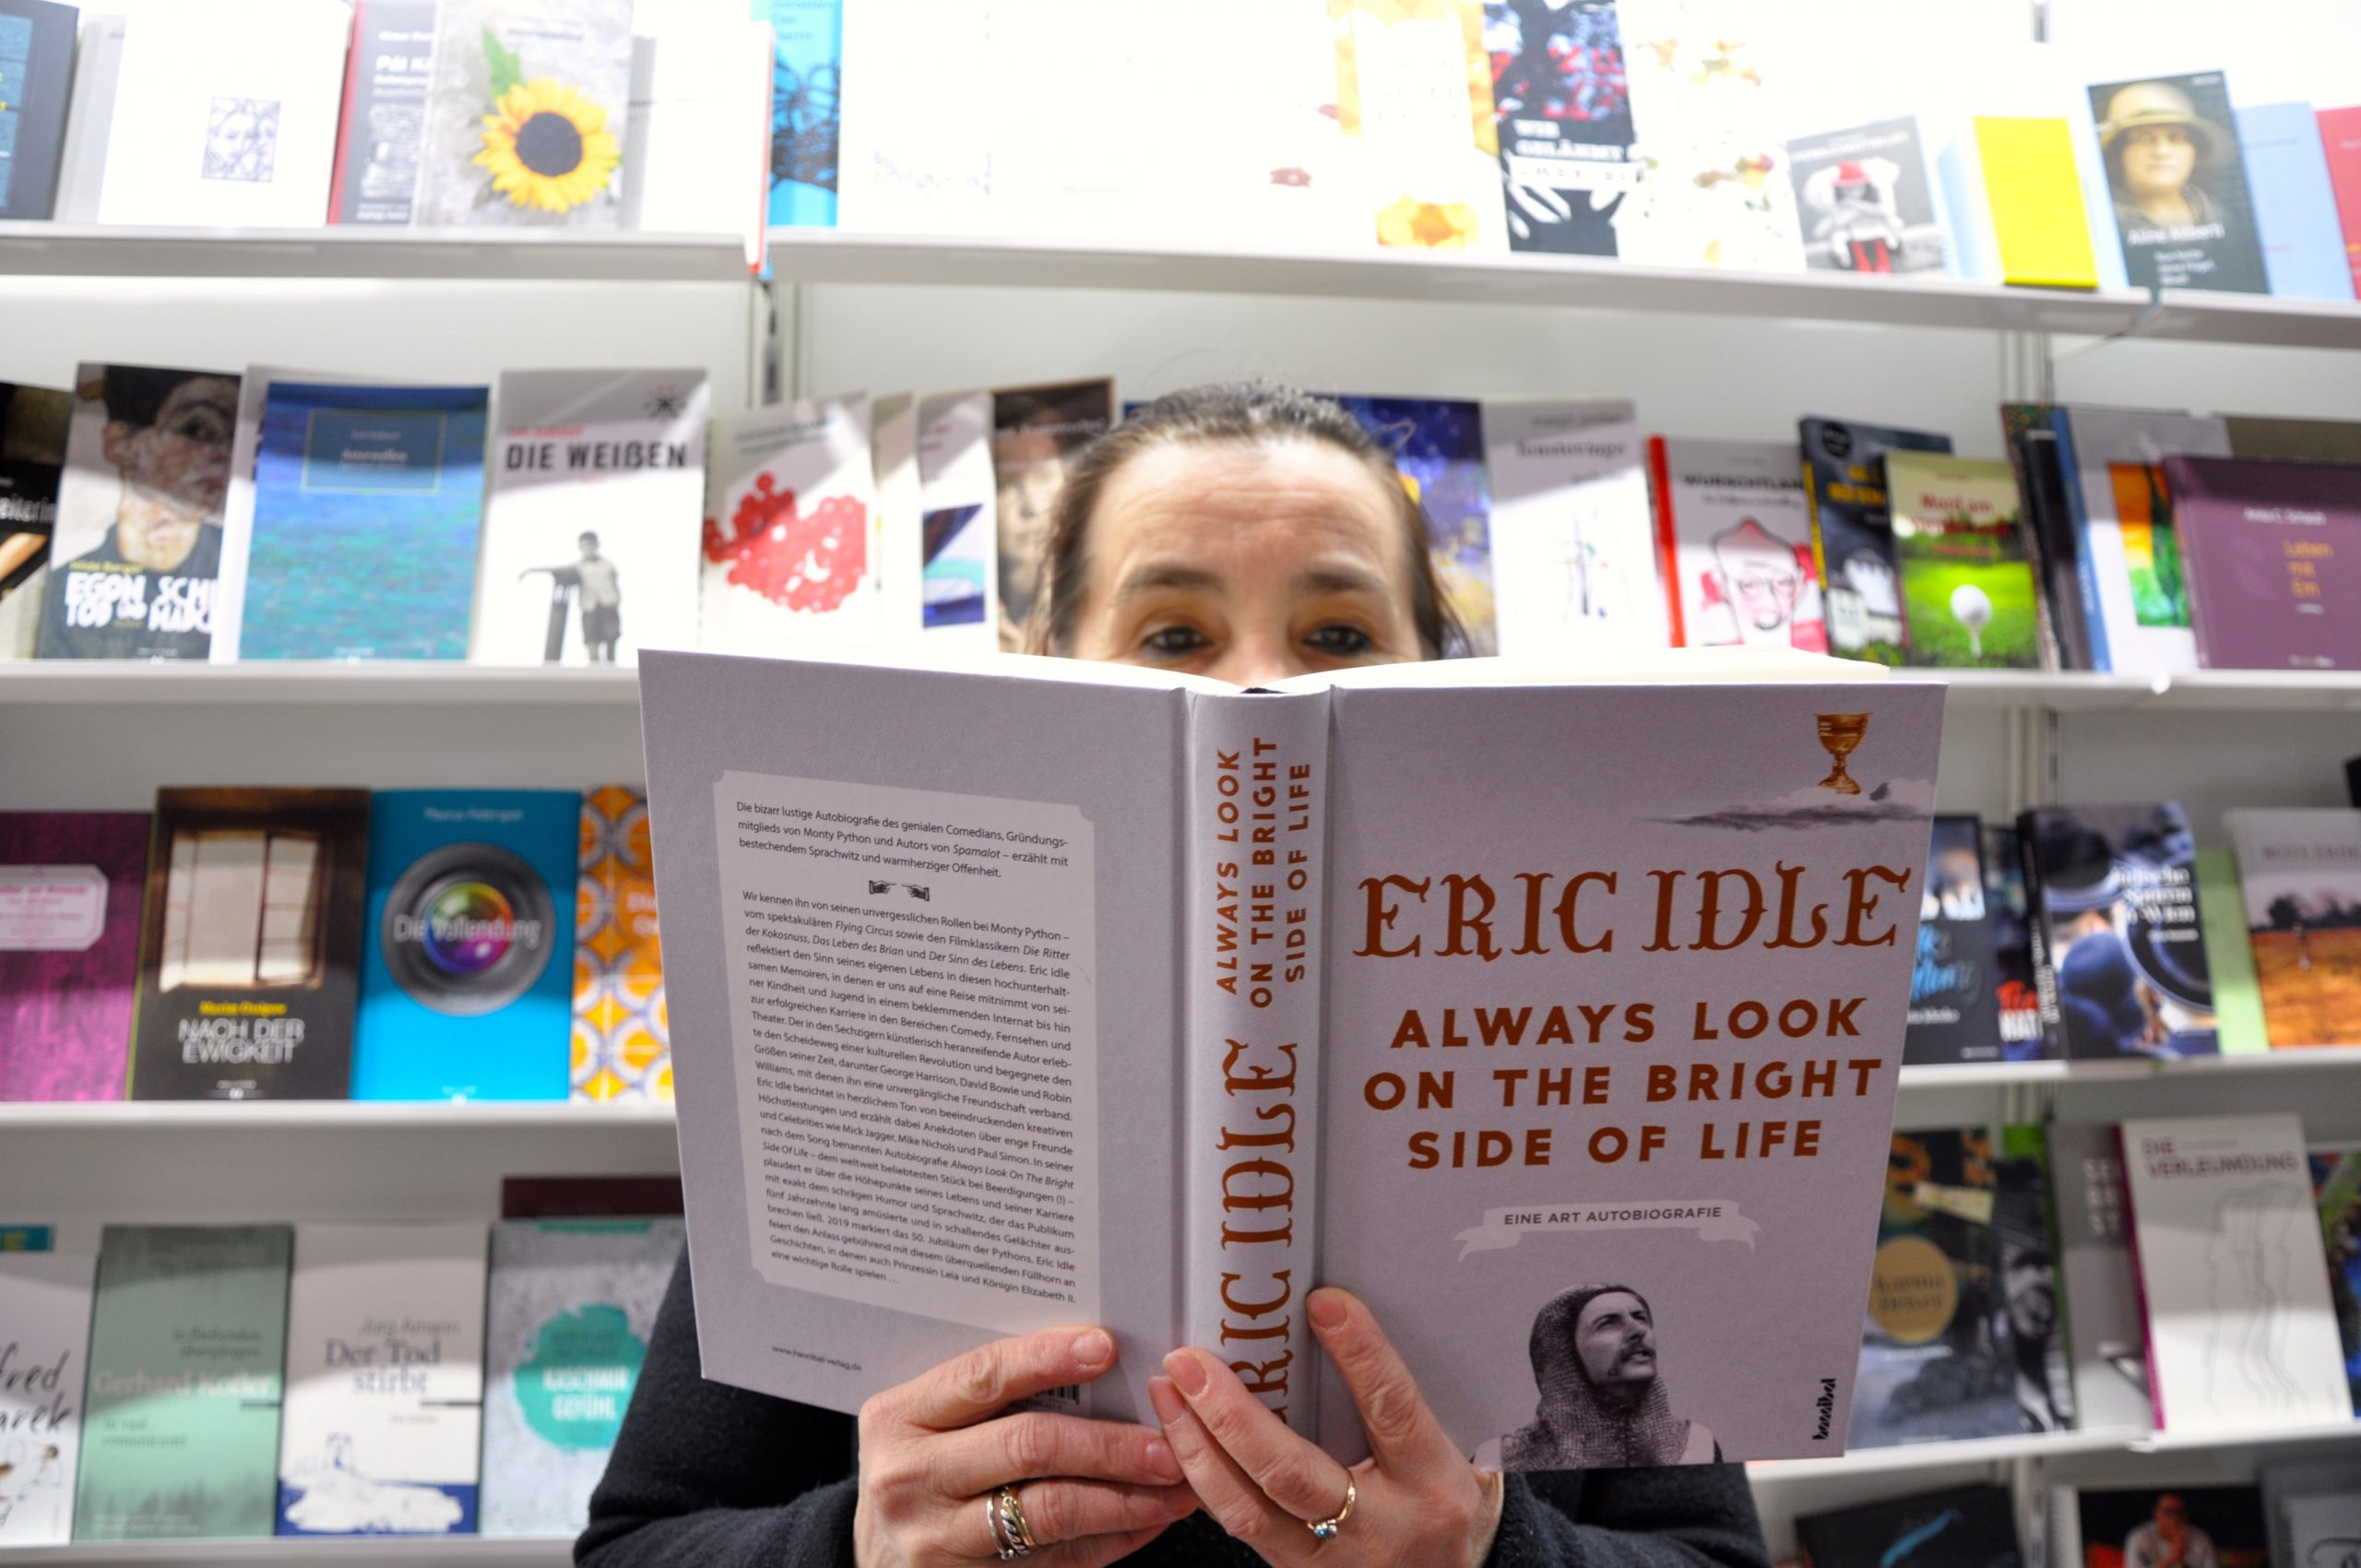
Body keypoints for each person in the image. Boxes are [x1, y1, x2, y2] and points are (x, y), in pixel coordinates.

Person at [580, 384, 1775, 1568]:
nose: (1258, 685)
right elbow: (638, 1545)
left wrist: (1489, 1552)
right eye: (1171, 635)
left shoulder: (1584, 1058)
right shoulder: (874, 1045)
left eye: (1339, 635)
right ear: (1049, 673)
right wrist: (856, 1548)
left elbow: (1710, 1557)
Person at [37, 366, 237, 660]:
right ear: (121, 445)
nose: (224, 456)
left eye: (239, 440)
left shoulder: (254, 581)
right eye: (196, 429)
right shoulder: (61, 595)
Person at [1480, 1286, 1718, 1471]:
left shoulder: (1697, 1447)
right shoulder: (1498, 1460)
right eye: (1608, 1323)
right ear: (1565, 1353)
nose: (1639, 1330)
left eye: (1640, 1318)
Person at [522, 530, 622, 662]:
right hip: (589, 607)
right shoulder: (578, 566)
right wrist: (531, 570)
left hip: (608, 605)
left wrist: (616, 599)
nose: (587, 549)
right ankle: (595, 668)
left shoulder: (608, 564)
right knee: (592, 641)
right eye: (584, 546)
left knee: (611, 639)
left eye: (590, 545)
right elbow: (557, 569)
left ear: (596, 545)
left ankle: (611, 667)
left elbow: (615, 582)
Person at [2125, 1494, 2220, 1568]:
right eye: (2168, 1512)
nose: (2175, 1518)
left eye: (2180, 1512)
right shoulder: (2139, 1538)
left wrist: (2182, 1562)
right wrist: (2171, 1559)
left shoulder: (2201, 1539)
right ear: (2156, 1513)